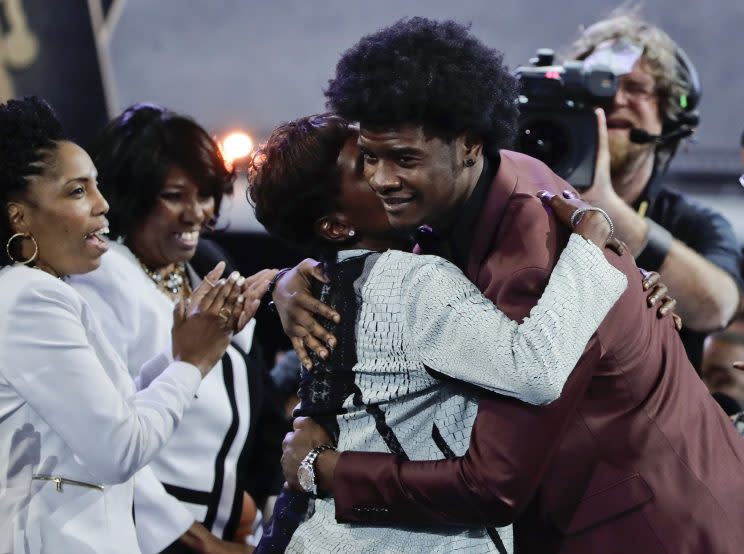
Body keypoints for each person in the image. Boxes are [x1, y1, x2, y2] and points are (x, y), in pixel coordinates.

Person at [273, 18, 744, 553]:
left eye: (404, 158)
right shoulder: (493, 179)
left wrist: (328, 471)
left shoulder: (532, 264)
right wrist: (287, 283)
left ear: (470, 145)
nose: (382, 179)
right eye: (371, 158)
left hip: (655, 528)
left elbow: (492, 485)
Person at [249, 113, 630, 552]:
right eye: (366, 165)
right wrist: (589, 243)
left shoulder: (327, 282)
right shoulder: (412, 280)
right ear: (337, 227)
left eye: (385, 156)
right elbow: (535, 369)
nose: (387, 176)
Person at [0, 97, 247, 553]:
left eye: (96, 186)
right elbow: (119, 450)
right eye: (78, 191)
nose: (102, 204)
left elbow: (109, 413)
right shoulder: (31, 298)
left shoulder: (36, 292)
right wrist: (189, 364)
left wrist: (173, 360)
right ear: (20, 216)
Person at [68, 103, 287, 553]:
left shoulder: (209, 268)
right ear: (131, 196)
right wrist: (193, 540)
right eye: (173, 195)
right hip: (141, 534)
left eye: (205, 194)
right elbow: (99, 437)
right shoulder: (98, 281)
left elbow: (256, 407)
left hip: (226, 526)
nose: (196, 214)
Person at [567, 9, 743, 369]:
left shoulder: (696, 224)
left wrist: (608, 210)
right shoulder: (523, 199)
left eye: (635, 88)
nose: (615, 99)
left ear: (668, 113)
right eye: (601, 84)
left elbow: (718, 307)